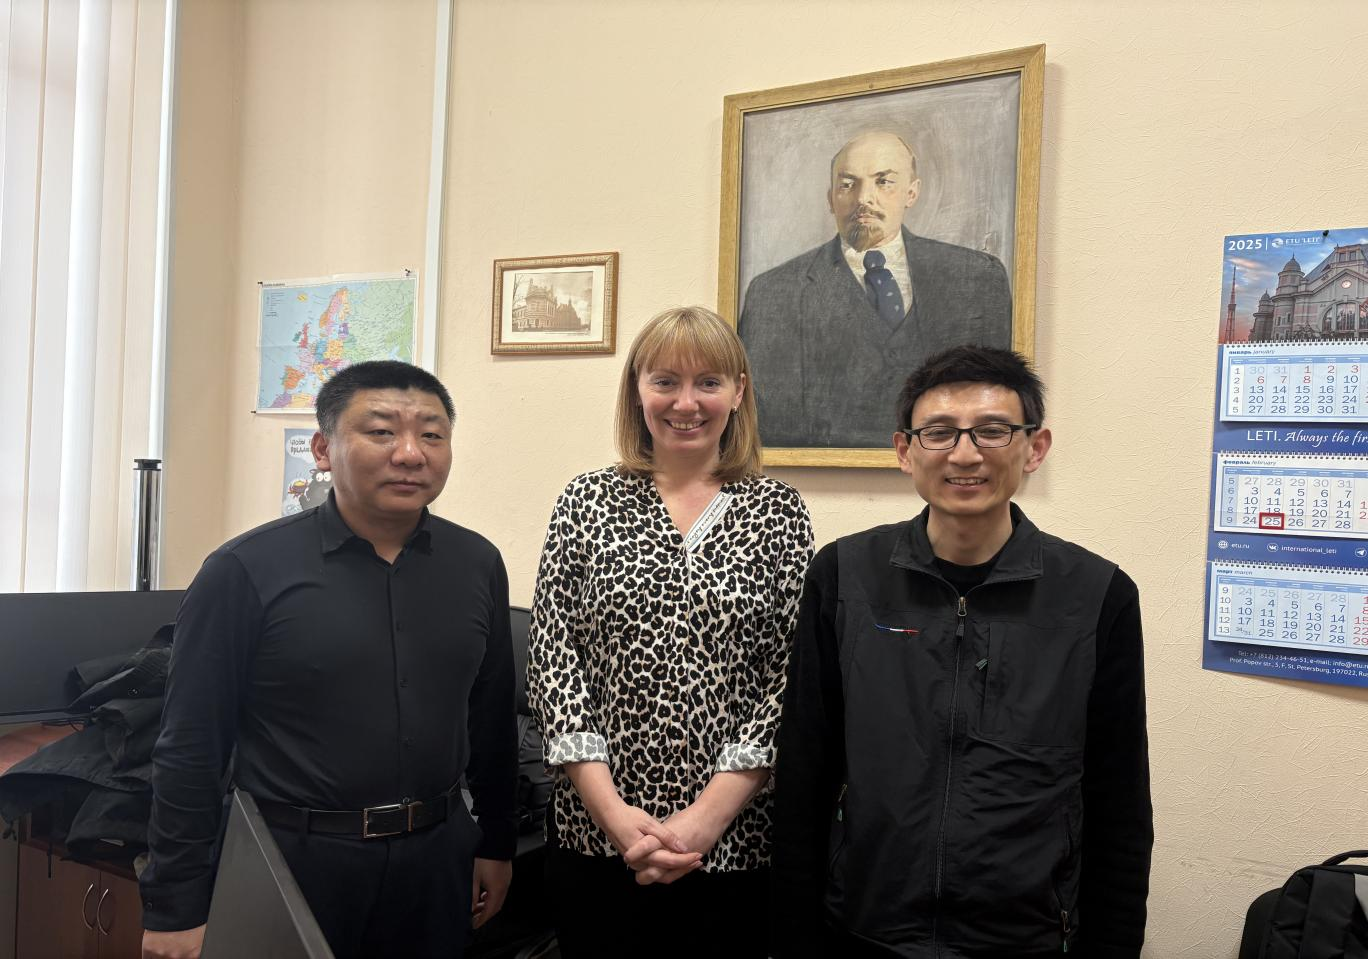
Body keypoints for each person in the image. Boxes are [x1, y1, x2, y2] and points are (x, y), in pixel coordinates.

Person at [770, 346, 1152, 957]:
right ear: (905, 450)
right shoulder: (844, 577)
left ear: (1035, 447)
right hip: (864, 928)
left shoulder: (1098, 595)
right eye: (940, 432)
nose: (965, 454)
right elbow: (804, 774)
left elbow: (1120, 800)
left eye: (993, 431)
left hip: (1026, 937)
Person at [140, 361, 516, 959]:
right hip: (293, 862)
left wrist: (496, 843)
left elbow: (490, 719)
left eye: (432, 434)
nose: (410, 454)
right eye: (381, 431)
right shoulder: (244, 571)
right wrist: (175, 906)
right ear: (322, 449)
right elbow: (190, 745)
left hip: (436, 862)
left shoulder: (477, 564)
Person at [526, 306, 814, 958]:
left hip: (734, 845)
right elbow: (553, 660)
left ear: (738, 391)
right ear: (638, 390)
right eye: (665, 381)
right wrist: (613, 815)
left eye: (708, 382)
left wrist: (705, 819)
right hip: (596, 839)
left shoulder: (779, 512)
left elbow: (790, 677)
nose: (686, 403)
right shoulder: (585, 501)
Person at [738, 130, 1012, 449]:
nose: (863, 199)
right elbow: (765, 424)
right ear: (831, 198)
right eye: (847, 184)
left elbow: (1000, 406)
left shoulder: (977, 277)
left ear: (911, 193)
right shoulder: (774, 291)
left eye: (884, 181)